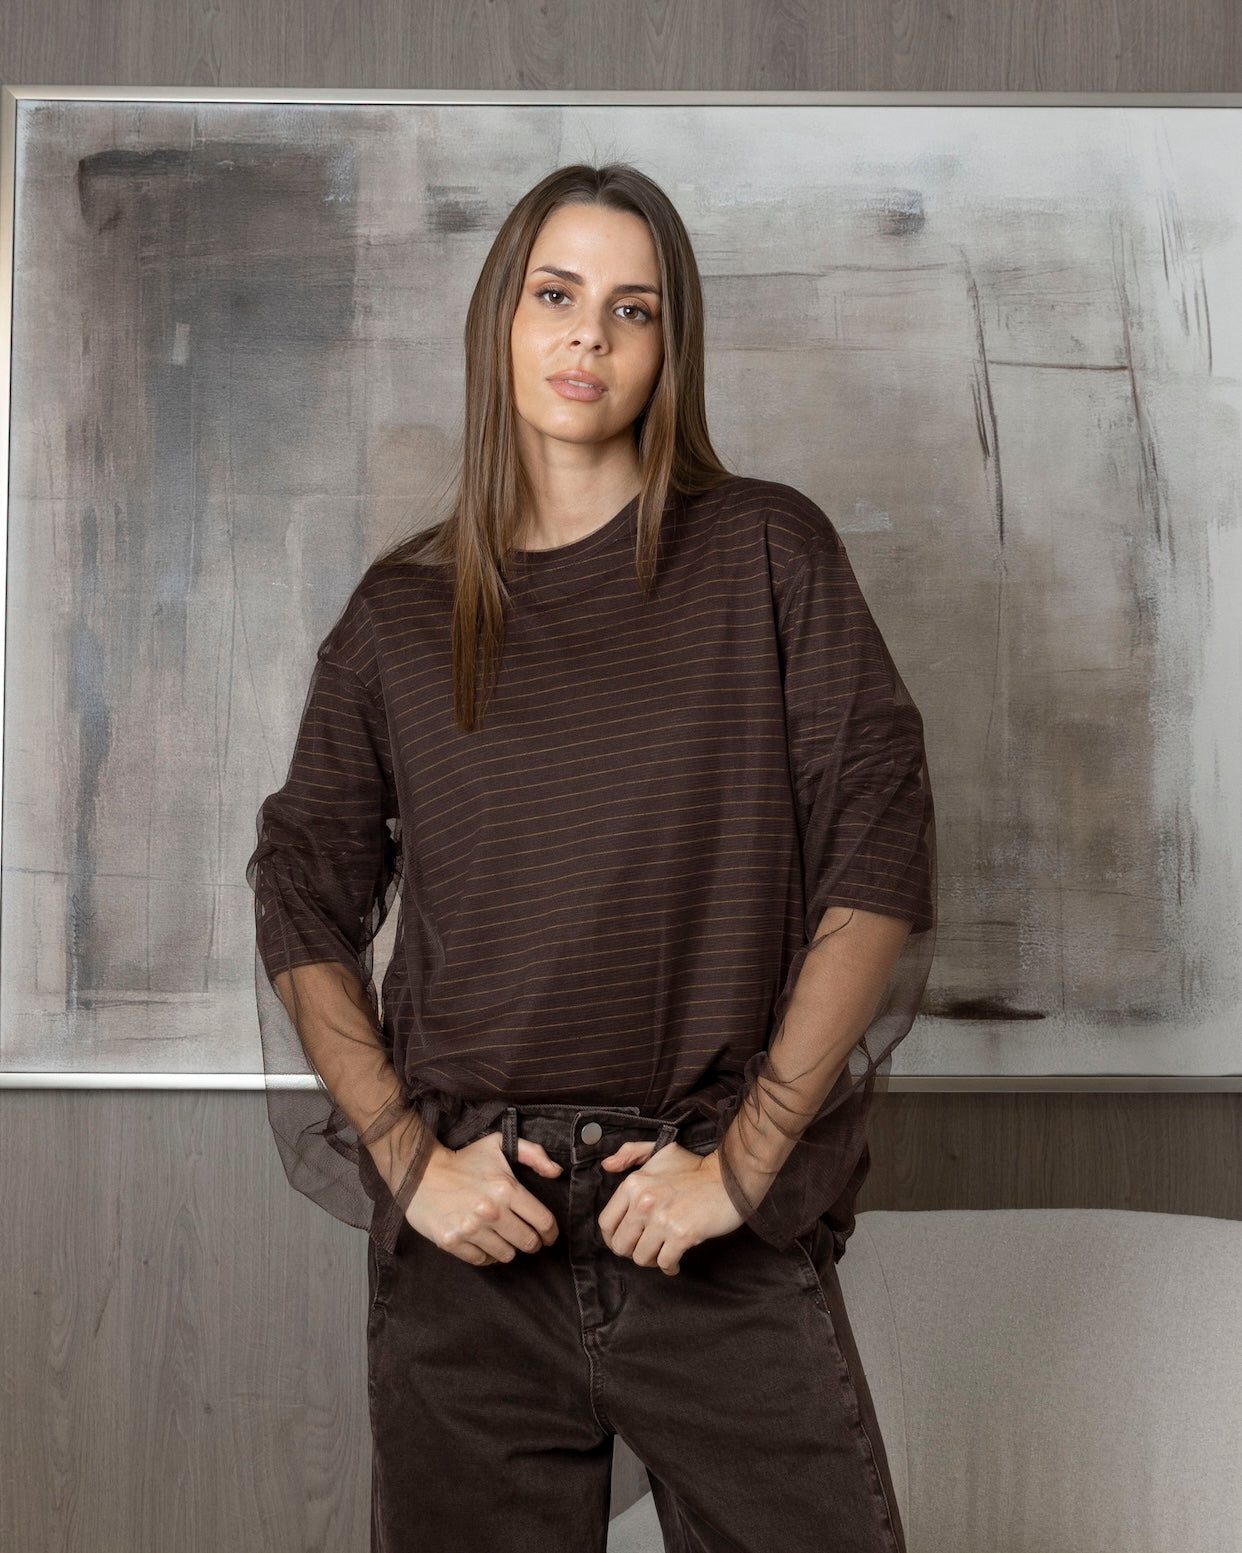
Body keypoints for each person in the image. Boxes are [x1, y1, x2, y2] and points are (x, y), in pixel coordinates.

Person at [246, 161, 936, 1553]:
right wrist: (408, 1158)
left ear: (671, 345)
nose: (589, 337)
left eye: (634, 308)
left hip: (700, 1218)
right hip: (474, 1241)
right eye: (556, 295)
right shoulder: (399, 615)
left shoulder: (764, 551)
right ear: (500, 318)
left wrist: (742, 1165)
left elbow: (878, 845)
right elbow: (301, 887)